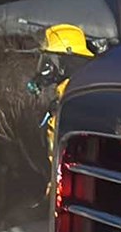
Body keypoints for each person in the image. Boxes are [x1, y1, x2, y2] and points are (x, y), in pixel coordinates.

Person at [26, 24, 96, 172]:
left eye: (49, 60)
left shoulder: (75, 98)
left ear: (65, 61)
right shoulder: (70, 91)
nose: (45, 68)